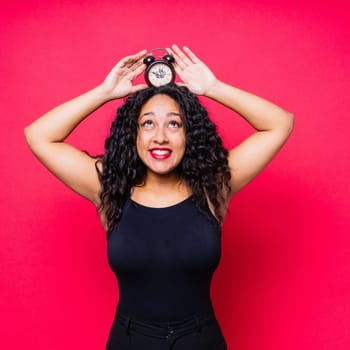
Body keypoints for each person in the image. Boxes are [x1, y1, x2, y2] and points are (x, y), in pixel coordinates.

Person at [24, 45, 294, 350]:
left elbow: (279, 124)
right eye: (148, 123)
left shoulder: (213, 186)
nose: (160, 136)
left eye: (174, 124)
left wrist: (214, 88)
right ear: (134, 134)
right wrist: (103, 93)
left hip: (201, 342)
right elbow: (38, 135)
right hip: (130, 341)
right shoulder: (109, 187)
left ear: (189, 134)